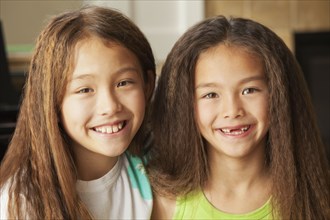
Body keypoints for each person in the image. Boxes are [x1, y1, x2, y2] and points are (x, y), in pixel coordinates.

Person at [148, 15, 330, 219]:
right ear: (184, 106)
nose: (232, 110)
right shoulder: (162, 201)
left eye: (249, 90)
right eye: (211, 95)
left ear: (279, 96)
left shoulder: (316, 199)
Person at [0, 6, 155, 219]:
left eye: (123, 83)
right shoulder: (21, 200)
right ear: (52, 102)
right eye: (84, 90)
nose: (109, 107)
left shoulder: (158, 172)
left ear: (147, 85)